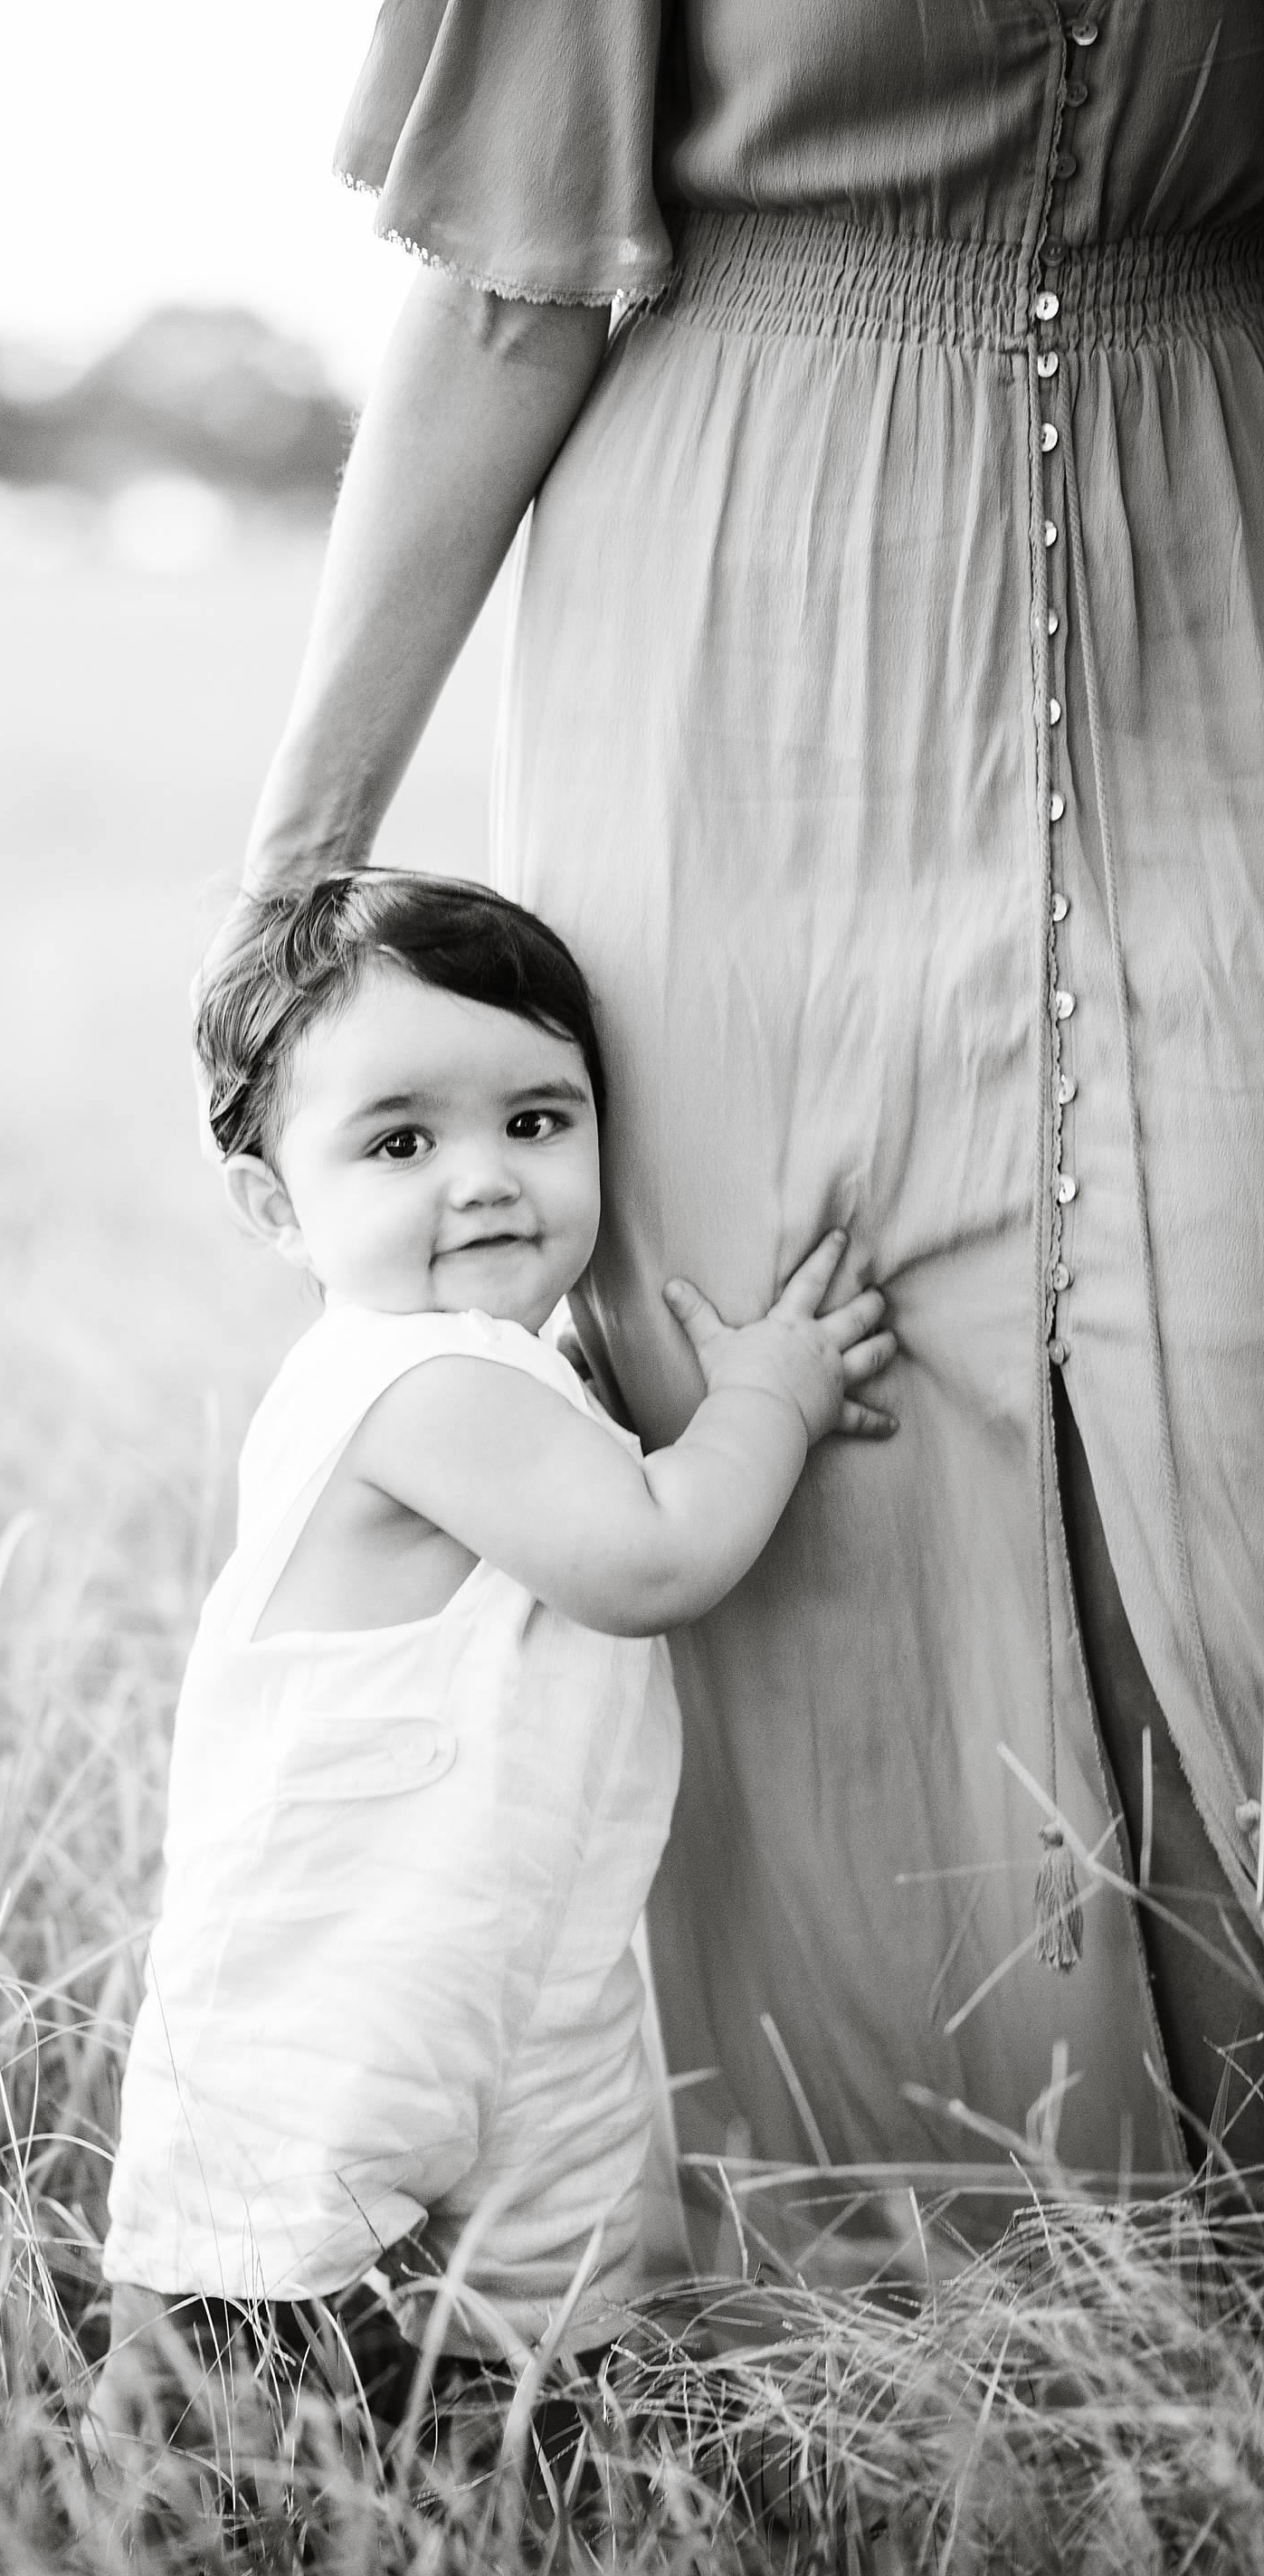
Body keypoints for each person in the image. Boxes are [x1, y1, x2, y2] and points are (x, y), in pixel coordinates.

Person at [241, 8, 1264, 2231]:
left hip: (1223, 563)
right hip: (738, 641)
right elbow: (513, 289)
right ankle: (909, 2256)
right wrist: (296, 865)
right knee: (809, 1421)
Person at [91, 870, 895, 2435]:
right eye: (401, 1143)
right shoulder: (409, 1377)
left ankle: (514, 2546)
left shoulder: (510, 1369)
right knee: (235, 2347)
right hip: (335, 1983)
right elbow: (650, 1556)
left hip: (529, 1967)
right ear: (276, 1206)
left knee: (548, 2358)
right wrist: (769, 1402)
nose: (486, 1181)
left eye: (538, 1120)